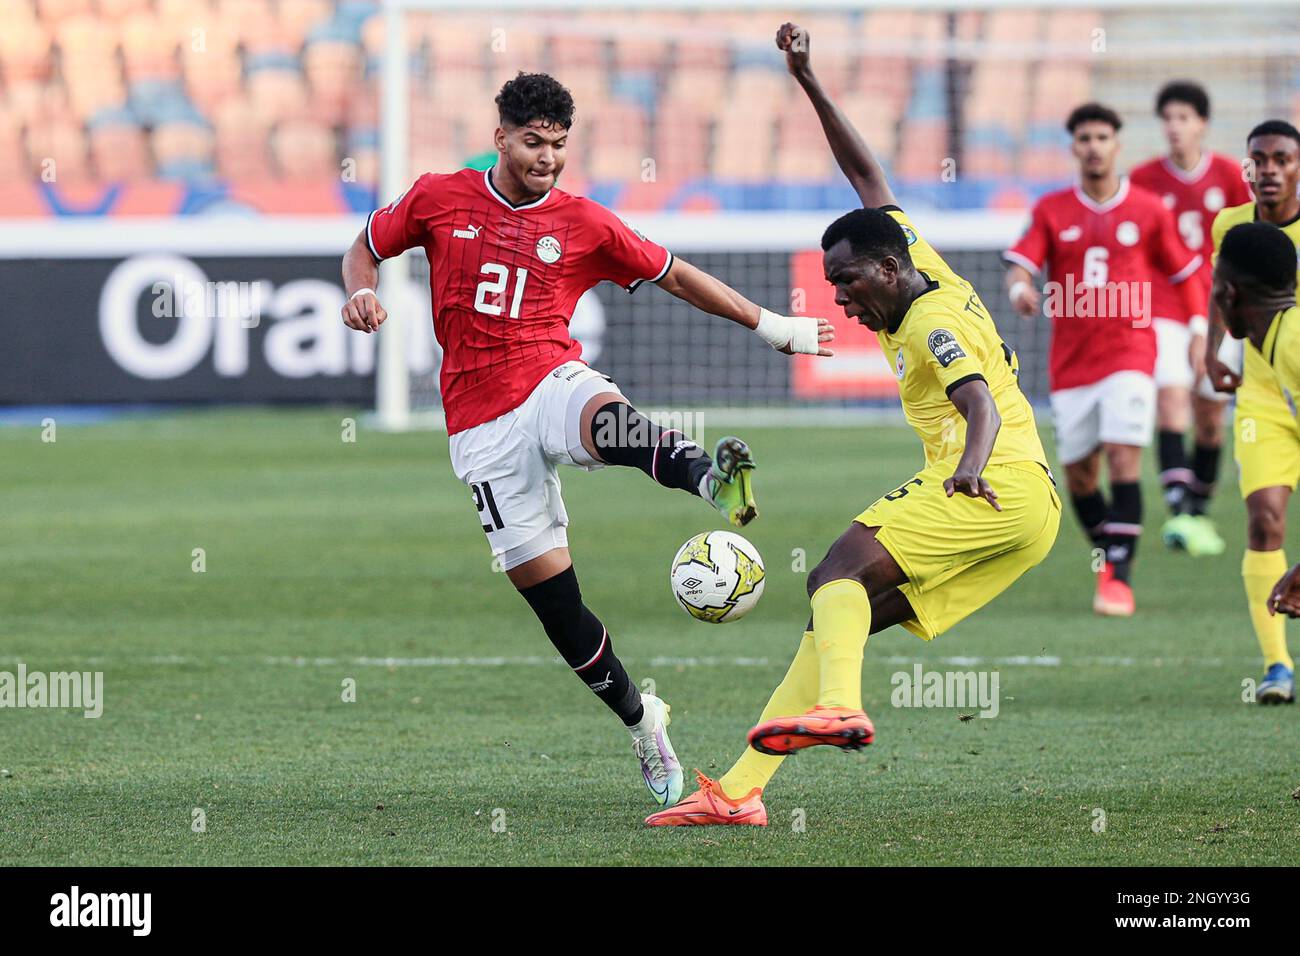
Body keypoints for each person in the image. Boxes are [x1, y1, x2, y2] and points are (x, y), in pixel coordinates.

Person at [341, 72, 835, 805]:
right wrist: (361, 288)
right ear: (500, 135)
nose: (547, 158)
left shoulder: (583, 222)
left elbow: (674, 274)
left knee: (612, 424)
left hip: (549, 375)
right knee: (559, 611)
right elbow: (365, 246)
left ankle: (711, 478)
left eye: (560, 145)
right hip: (478, 426)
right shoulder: (439, 197)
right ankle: (644, 725)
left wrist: (774, 327)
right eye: (534, 142)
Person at [646, 22, 1059, 828]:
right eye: (834, 283)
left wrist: (969, 467)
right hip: (1022, 512)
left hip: (990, 483)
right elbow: (867, 172)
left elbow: (975, 399)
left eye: (848, 282)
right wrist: (807, 80)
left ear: (889, 269)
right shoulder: (917, 258)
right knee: (837, 610)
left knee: (833, 572)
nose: (840, 298)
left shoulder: (930, 318)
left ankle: (840, 708)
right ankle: (737, 794)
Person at [1004, 103, 1203, 616]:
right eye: (1085, 138)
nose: (1093, 146)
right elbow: (1021, 266)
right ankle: (1111, 548)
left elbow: (1187, 274)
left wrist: (1200, 330)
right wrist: (1021, 290)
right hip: (1072, 365)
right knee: (1080, 478)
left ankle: (1119, 576)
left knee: (1123, 458)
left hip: (1132, 354)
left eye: (1102, 137)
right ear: (1074, 147)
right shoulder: (1052, 209)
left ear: (1117, 145)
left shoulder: (1148, 208)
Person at [1130, 82, 1251, 555]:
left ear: (1202, 123)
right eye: (1168, 118)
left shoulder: (1227, 176)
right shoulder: (1143, 179)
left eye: (1184, 117)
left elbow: (1248, 238)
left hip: (1220, 306)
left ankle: (1195, 513)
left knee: (1210, 414)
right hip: (1165, 305)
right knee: (1171, 398)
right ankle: (1179, 507)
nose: (1175, 127)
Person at [1204, 121, 1300, 704]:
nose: (1267, 169)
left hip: (1292, 371)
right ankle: (1277, 666)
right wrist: (1210, 354)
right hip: (1263, 393)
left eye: (1281, 159)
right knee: (1265, 519)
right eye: (1258, 159)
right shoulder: (1229, 227)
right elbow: (1223, 290)